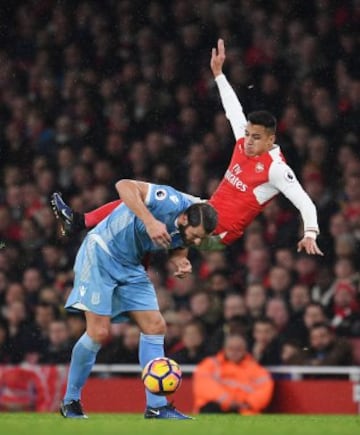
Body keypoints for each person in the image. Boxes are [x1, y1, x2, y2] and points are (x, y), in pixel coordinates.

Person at [51, 39, 323, 257]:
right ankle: (80, 221)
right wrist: (218, 74)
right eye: (248, 134)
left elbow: (304, 202)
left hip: (216, 234)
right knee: (142, 197)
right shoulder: (244, 142)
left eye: (255, 138)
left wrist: (310, 233)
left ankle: (108, 245)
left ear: (270, 139)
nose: (248, 140)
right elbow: (233, 110)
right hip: (205, 210)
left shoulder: (277, 170)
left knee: (151, 209)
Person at [59, 179, 218, 419]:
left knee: (155, 326)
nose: (196, 242)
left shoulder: (188, 227)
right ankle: (71, 401)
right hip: (101, 253)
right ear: (185, 218)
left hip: (131, 266)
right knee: (99, 332)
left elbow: (178, 242)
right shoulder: (168, 200)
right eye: (195, 236)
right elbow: (123, 185)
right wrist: (149, 220)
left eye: (200, 239)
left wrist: (180, 260)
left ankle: (157, 406)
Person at [193, 333, 274, 415]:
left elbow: (264, 390)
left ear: (245, 350)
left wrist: (248, 404)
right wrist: (228, 401)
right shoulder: (210, 364)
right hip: (215, 408)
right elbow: (204, 386)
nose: (234, 352)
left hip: (243, 411)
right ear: (224, 348)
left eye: (238, 349)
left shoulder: (257, 370)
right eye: (231, 348)